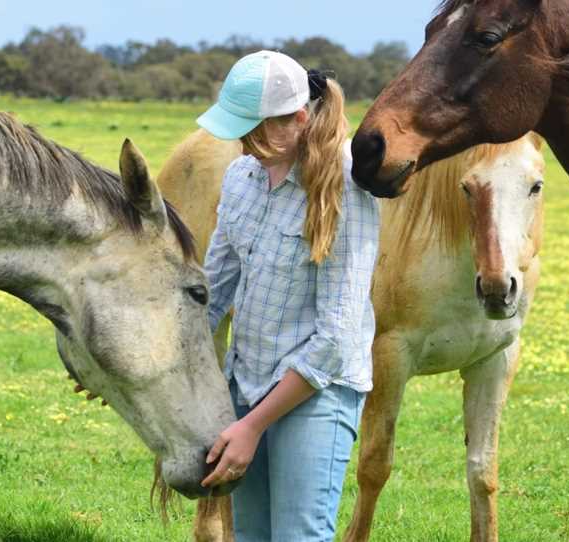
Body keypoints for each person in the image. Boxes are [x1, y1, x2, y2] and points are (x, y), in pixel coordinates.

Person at [197, 50, 380, 541]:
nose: (244, 146)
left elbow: (335, 340)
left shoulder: (347, 188)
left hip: (317, 393)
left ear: (299, 118)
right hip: (247, 382)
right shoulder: (242, 178)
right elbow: (212, 293)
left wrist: (252, 427)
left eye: (256, 132)